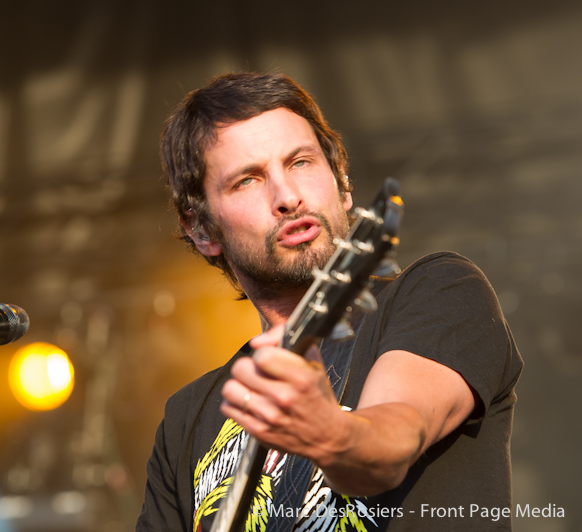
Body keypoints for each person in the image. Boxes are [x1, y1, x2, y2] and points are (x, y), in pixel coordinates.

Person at [136, 72, 522, 532]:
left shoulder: (439, 291)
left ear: (342, 182)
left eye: (300, 163)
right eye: (247, 180)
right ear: (201, 229)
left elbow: (397, 436)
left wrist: (331, 435)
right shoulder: (187, 418)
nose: (287, 197)